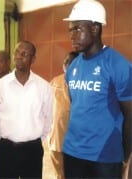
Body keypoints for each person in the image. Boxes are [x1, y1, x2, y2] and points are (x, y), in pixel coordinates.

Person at [62, 0, 132, 178]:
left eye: (78, 29)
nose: (72, 35)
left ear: (95, 28)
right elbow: (76, 105)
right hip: (72, 152)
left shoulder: (118, 65)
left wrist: (125, 154)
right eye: (71, 30)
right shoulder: (73, 67)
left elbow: (130, 114)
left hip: (104, 157)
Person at [0, 40, 53, 178]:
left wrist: (34, 138)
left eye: (24, 54)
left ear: (33, 59)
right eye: (17, 53)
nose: (19, 57)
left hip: (32, 150)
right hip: (6, 149)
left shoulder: (43, 87)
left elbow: (48, 118)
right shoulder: (0, 86)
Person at [47, 51, 78, 179]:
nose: (66, 64)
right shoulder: (55, 81)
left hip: (77, 141)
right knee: (59, 174)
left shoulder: (84, 83)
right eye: (65, 61)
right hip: (56, 138)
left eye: (70, 62)